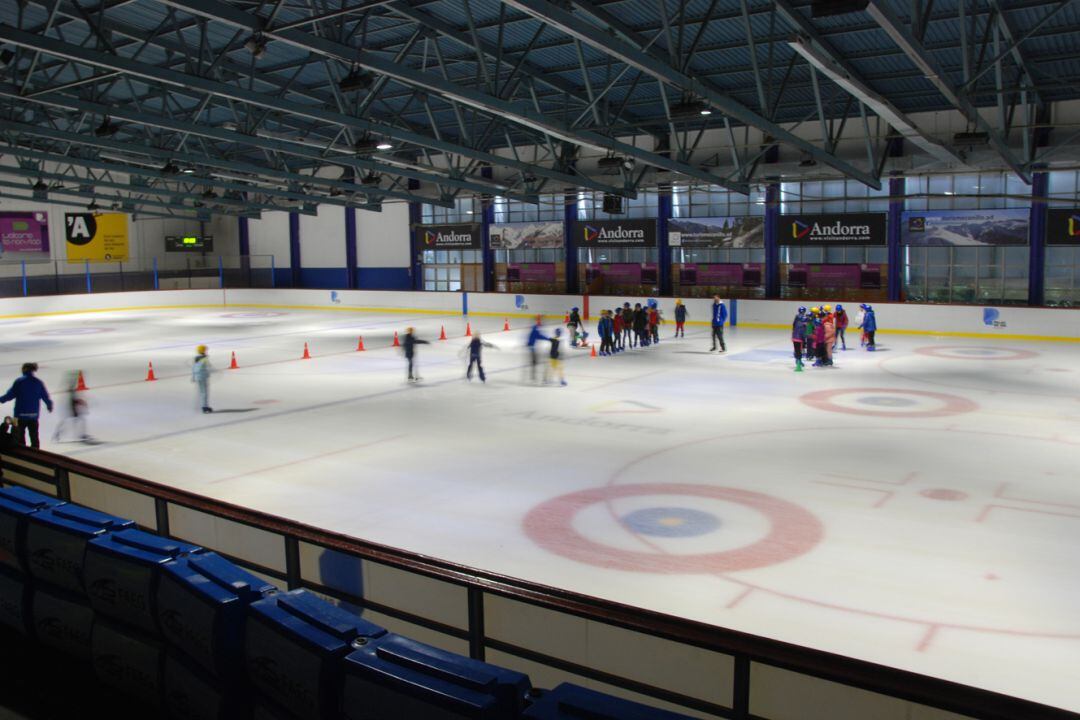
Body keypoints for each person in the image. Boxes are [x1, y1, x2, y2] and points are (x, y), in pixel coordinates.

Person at [0, 363, 54, 448]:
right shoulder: (38, 382)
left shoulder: (19, 382)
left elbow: (10, 395)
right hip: (34, 416)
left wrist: (1, 400)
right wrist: (49, 405)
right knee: (34, 437)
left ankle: (21, 452)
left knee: (19, 437)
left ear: (24, 369)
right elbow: (45, 396)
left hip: (19, 415)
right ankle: (36, 452)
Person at [53, 370, 92, 442]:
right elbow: (74, 400)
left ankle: (57, 434)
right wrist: (81, 402)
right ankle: (81, 434)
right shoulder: (72, 392)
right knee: (77, 420)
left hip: (70, 408)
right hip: (72, 408)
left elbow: (73, 400)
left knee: (72, 421)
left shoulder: (71, 391)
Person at [525, 316, 548, 382]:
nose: (541, 322)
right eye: (539, 321)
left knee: (535, 361)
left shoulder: (535, 328)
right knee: (534, 362)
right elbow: (539, 336)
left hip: (532, 347)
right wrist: (548, 339)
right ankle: (533, 376)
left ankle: (533, 375)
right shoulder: (535, 329)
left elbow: (535, 336)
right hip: (532, 347)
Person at [192, 345, 213, 413]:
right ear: (203, 351)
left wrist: (193, 377)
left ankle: (204, 405)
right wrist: (209, 373)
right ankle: (205, 407)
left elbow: (193, 367)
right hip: (203, 377)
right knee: (204, 392)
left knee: (201, 392)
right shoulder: (204, 358)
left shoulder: (196, 358)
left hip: (197, 377)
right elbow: (209, 367)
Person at [792, 307, 808, 372]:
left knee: (796, 350)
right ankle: (798, 362)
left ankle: (797, 360)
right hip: (799, 339)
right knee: (799, 350)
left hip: (794, 337)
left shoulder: (796, 321)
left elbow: (793, 326)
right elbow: (804, 333)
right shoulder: (804, 325)